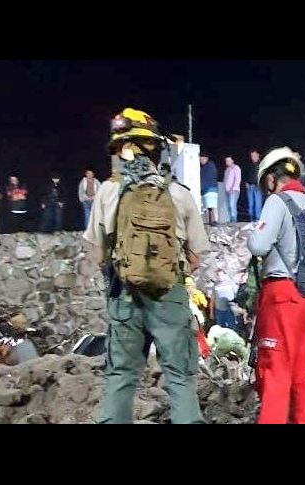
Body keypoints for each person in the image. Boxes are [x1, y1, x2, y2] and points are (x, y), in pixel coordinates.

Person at [84, 107, 209, 424]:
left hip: (124, 296)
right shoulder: (179, 194)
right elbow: (195, 258)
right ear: (157, 149)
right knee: (180, 378)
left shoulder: (107, 192)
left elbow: (98, 256)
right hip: (170, 295)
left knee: (120, 377)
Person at [247, 146, 305, 424]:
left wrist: (253, 234)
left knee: (275, 378)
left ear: (269, 179)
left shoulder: (278, 201)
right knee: (303, 383)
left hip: (281, 299)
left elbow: (258, 245)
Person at [200, 153, 219, 226]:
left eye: (202, 159)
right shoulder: (205, 167)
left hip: (210, 189)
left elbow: (206, 179)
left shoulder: (210, 166)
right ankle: (210, 221)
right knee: (207, 206)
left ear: (206, 158)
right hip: (206, 190)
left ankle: (214, 221)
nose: (201, 161)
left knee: (212, 206)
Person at [245, 149, 263, 221]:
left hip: (258, 186)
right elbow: (246, 174)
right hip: (250, 186)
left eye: (254, 155)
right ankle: (251, 219)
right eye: (252, 156)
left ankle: (258, 220)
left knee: (258, 204)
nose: (253, 157)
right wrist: (246, 182)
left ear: (258, 155)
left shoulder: (261, 164)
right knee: (250, 204)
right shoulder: (249, 165)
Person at [223, 156, 242, 223]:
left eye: (229, 161)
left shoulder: (236, 168)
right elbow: (225, 180)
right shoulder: (227, 169)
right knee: (228, 206)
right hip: (227, 190)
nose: (227, 162)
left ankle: (234, 220)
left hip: (234, 190)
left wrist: (233, 188)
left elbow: (237, 179)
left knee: (232, 205)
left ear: (232, 161)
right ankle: (231, 220)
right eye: (226, 161)